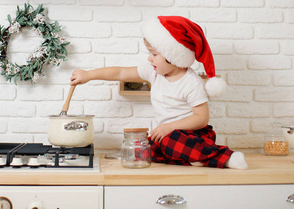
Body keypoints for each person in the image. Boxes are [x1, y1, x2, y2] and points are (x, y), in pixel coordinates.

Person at [70, 16, 248, 169]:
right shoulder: (153, 71)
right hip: (166, 136)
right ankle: (195, 159)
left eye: (154, 54)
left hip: (193, 135)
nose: (149, 58)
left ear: (174, 57)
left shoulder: (191, 83)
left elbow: (201, 118)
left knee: (171, 142)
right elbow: (121, 72)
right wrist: (89, 75)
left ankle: (225, 157)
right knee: (146, 152)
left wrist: (170, 127)